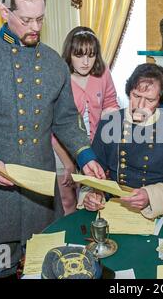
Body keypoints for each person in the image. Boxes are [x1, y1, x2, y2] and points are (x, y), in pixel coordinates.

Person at [0, 0, 104, 279]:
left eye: (40, 19)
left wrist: (86, 155)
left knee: (45, 264)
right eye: (27, 19)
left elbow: (67, 120)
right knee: (1, 267)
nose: (35, 27)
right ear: (4, 10)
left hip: (40, 187)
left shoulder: (55, 63)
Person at [80, 63, 163, 219]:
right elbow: (93, 169)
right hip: (113, 203)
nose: (140, 106)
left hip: (157, 209)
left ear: (160, 100)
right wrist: (93, 193)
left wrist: (151, 196)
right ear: (129, 92)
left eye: (149, 100)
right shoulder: (110, 122)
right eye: (136, 96)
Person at [52, 26, 120, 214]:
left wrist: (107, 142)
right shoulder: (59, 77)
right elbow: (53, 125)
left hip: (96, 144)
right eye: (79, 55)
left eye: (91, 55)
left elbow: (110, 102)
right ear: (69, 54)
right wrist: (68, 163)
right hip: (61, 146)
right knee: (67, 198)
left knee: (94, 195)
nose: (85, 62)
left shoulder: (102, 72)